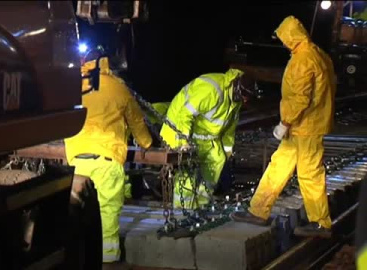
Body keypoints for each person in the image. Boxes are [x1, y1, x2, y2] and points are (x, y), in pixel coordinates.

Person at [231, 16, 336, 238]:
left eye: (282, 38)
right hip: (305, 126)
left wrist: (284, 122)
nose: (282, 42)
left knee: (310, 174)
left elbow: (300, 98)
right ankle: (258, 211)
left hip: (305, 127)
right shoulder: (317, 54)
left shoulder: (303, 60)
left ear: (290, 36)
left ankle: (320, 223)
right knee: (279, 166)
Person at [64, 47, 152, 268]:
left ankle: (80, 257)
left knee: (78, 212)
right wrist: (147, 144)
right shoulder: (117, 88)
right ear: (107, 64)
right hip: (106, 160)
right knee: (107, 211)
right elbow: (137, 121)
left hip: (76, 160)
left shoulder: (75, 85)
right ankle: (109, 259)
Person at [159, 69, 257, 209]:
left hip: (204, 137)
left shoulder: (234, 101)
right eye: (245, 96)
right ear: (237, 87)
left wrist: (227, 151)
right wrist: (183, 142)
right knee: (189, 172)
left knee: (217, 160)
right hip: (180, 131)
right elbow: (185, 114)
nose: (245, 101)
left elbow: (229, 129)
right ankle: (182, 209)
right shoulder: (211, 90)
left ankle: (201, 205)